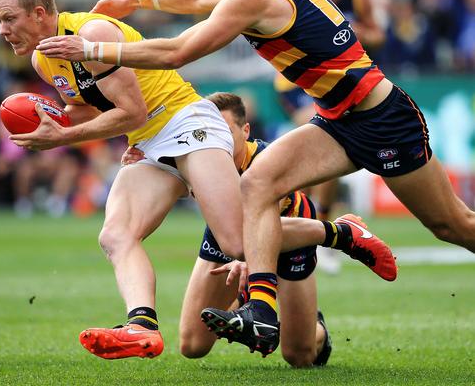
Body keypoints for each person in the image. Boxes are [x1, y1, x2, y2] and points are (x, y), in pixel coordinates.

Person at [37, 0, 475, 357]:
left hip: (382, 118)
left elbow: (177, 52)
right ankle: (262, 313)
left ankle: (293, 281)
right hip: (339, 119)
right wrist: (134, 0)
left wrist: (91, 48)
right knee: (258, 183)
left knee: (452, 225)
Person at [0, 0, 394, 360]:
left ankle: (340, 233)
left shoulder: (91, 33)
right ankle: (141, 327)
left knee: (236, 241)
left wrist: (65, 137)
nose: (2, 29)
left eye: (8, 18)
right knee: (115, 235)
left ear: (40, 13)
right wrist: (51, 119)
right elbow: (92, 110)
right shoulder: (43, 58)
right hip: (149, 142)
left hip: (187, 123)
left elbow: (132, 112)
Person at [124, 92, 395, 367]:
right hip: (229, 235)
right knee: (192, 345)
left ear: (246, 130)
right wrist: (143, 156)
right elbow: (167, 176)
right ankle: (248, 303)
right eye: (210, 131)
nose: (219, 140)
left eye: (225, 131)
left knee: (299, 355)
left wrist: (248, 259)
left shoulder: (265, 160)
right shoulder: (199, 152)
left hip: (291, 229)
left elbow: (265, 219)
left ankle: (337, 239)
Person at [274, 0, 386, 274]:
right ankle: (320, 228)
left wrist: (359, 31)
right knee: (320, 143)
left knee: (317, 159)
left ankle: (312, 227)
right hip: (296, 85)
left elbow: (379, 36)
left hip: (335, 85)